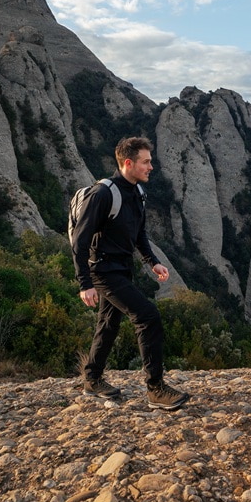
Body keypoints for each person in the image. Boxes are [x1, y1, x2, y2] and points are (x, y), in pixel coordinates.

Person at [70, 136, 190, 411]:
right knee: (147, 316)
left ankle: (92, 379)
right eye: (146, 162)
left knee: (108, 324)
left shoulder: (137, 193)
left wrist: (152, 261)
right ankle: (155, 390)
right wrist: (84, 283)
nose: (151, 167)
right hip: (102, 270)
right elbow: (80, 240)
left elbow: (139, 234)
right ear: (128, 163)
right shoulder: (103, 194)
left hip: (123, 269)